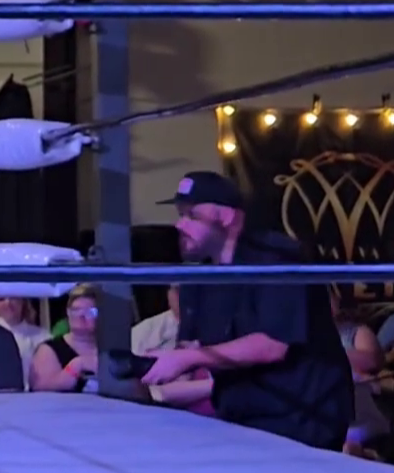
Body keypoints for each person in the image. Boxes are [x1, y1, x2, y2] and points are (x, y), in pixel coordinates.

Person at [138, 171, 354, 450]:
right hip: (240, 414)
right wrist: (152, 364)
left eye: (191, 215)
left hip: (302, 414)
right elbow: (193, 347)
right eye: (180, 215)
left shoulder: (276, 258)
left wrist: (187, 358)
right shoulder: (199, 277)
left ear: (227, 216)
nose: (179, 225)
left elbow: (272, 345)